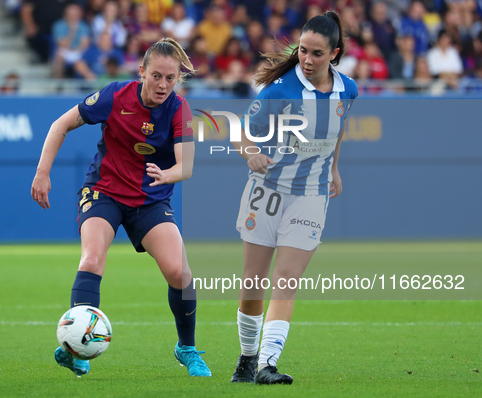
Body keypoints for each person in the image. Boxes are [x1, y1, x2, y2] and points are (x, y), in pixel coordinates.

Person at [31, 37, 212, 378]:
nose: (162, 85)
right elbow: (60, 125)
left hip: (150, 199)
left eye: (170, 78)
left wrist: (167, 173)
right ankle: (75, 348)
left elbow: (185, 167)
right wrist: (42, 172)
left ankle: (186, 348)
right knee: (92, 259)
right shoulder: (115, 95)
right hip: (105, 192)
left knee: (180, 273)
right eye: (156, 75)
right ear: (141, 71)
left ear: (177, 79)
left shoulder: (179, 109)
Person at [230, 11, 358, 385]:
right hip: (267, 192)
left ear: (334, 53)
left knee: (286, 279)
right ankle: (247, 358)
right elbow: (240, 132)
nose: (307, 59)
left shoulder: (347, 89)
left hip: (311, 196)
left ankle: (267, 363)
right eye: (303, 50)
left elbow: (336, 130)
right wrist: (250, 154)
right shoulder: (280, 90)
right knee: (254, 279)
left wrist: (333, 168)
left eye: (317, 53)